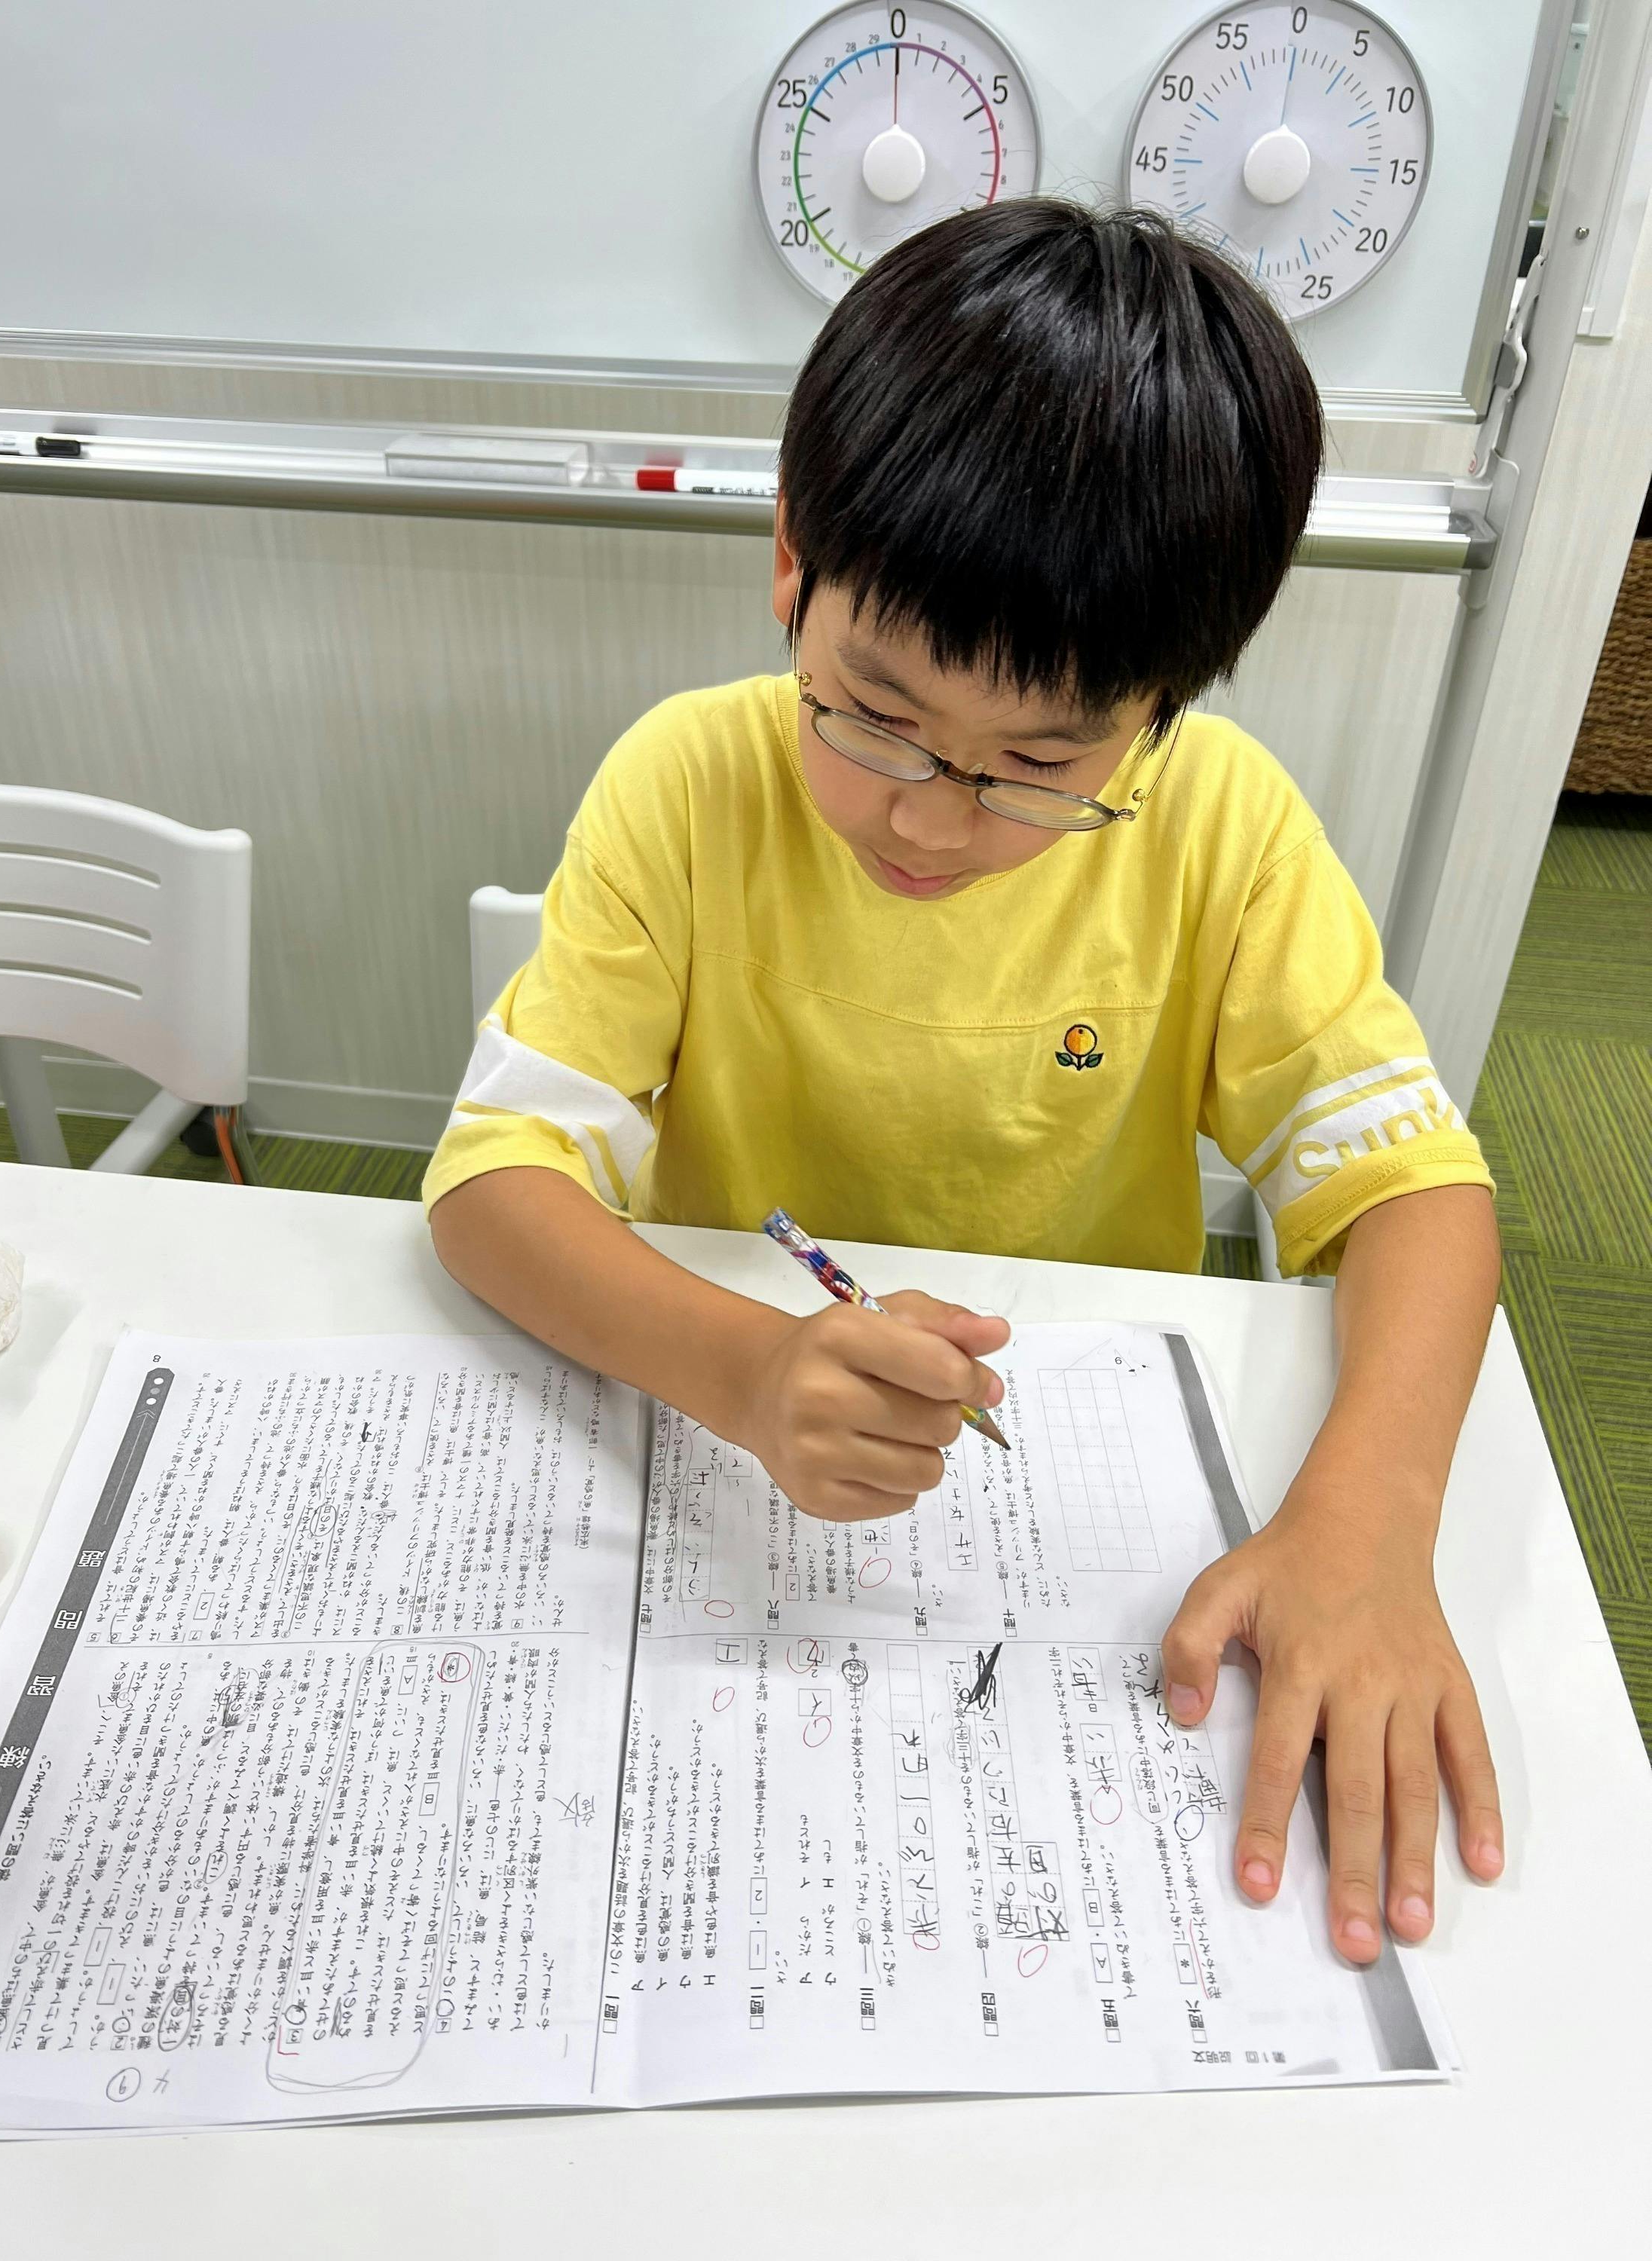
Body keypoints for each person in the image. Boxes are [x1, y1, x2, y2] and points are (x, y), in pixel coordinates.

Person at [427, 199, 1504, 1966]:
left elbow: (1416, 1195)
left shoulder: (1221, 829)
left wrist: (1372, 1524)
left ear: (1160, 710)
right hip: (730, 1472)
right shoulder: (686, 788)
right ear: (793, 564)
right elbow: (491, 1188)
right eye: (875, 716)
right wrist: (750, 1368)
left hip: (1074, 1508)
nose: (931, 819)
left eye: (1036, 768)